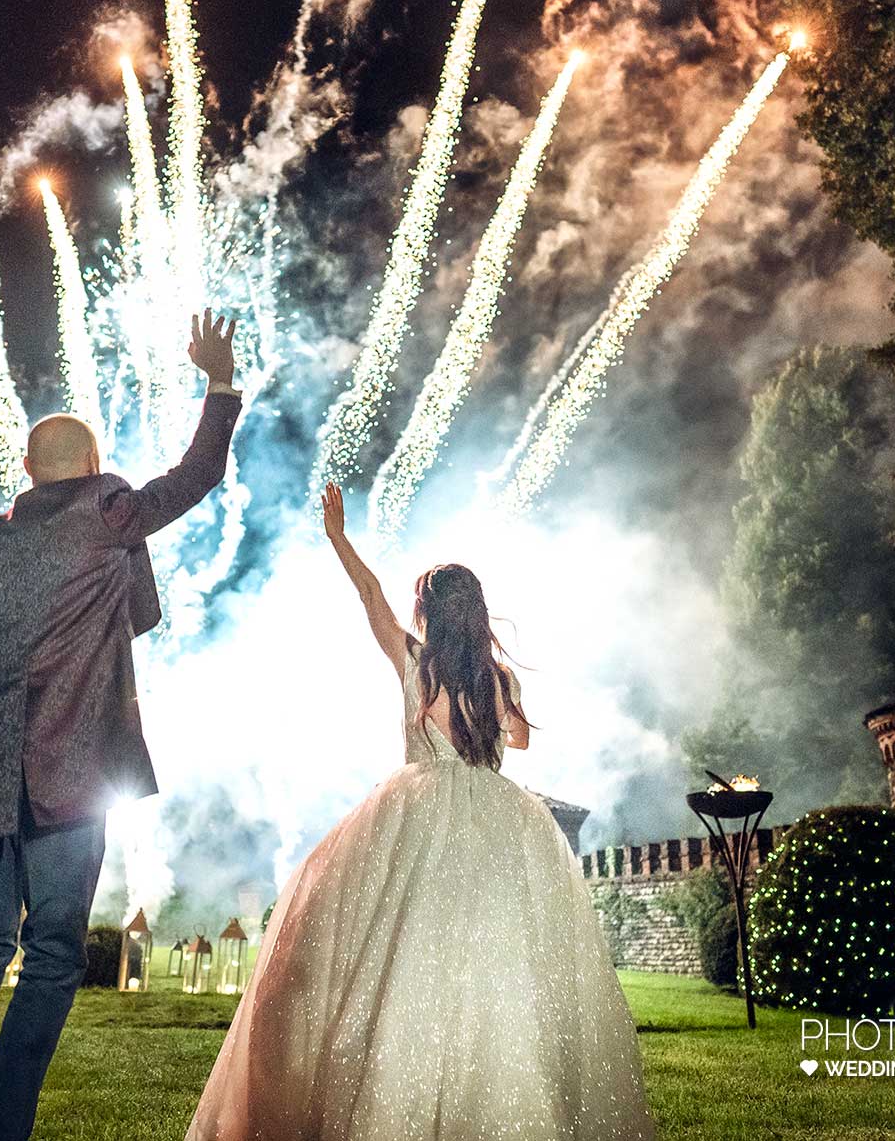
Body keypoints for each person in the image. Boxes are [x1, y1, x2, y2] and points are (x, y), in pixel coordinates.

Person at [185, 484, 655, 1140]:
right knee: (493, 950)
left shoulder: (414, 663)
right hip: (496, 814)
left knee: (397, 942)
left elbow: (370, 598)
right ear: (478, 613)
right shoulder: (499, 676)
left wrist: (338, 538)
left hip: (419, 806)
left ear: (429, 613)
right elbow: (516, 738)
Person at [0, 310, 243, 1141]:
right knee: (52, 956)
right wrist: (221, 383)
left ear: (23, 469)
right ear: (94, 469)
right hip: (70, 771)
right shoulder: (107, 510)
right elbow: (195, 475)